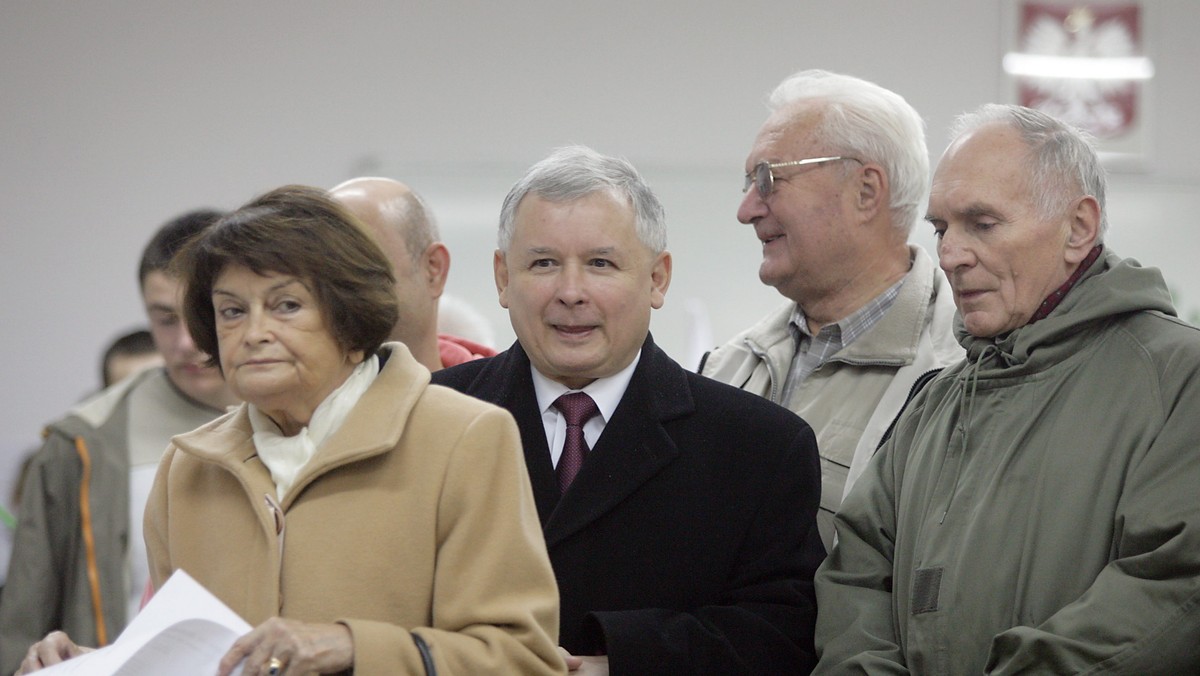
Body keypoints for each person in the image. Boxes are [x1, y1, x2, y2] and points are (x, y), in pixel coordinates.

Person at [17, 185, 564, 675]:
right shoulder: (189, 468)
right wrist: (93, 666)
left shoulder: (463, 437)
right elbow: (191, 659)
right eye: (231, 312)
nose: (253, 333)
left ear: (350, 319)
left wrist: (353, 648)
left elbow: (521, 659)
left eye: (286, 305)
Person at [813, 104, 1200, 674]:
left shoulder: (1178, 379)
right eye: (942, 228)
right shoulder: (936, 402)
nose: (950, 255)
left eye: (983, 224)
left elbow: (1173, 582)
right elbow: (858, 570)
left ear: (1079, 228)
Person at [433, 146, 825, 674]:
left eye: (601, 264)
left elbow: (780, 636)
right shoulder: (430, 420)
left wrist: (623, 660)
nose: (571, 292)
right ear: (503, 278)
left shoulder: (759, 447)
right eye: (544, 263)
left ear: (657, 279)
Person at [700, 70, 963, 550]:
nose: (746, 209)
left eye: (768, 179)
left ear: (866, 191)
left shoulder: (956, 377)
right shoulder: (728, 367)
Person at [0, 209, 238, 674]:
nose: (186, 341)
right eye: (165, 319)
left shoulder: (301, 415)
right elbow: (22, 624)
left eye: (201, 313)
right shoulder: (87, 440)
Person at [330, 177, 496, 371]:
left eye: (360, 262)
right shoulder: (294, 398)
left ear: (433, 269)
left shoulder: (510, 397)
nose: (334, 289)